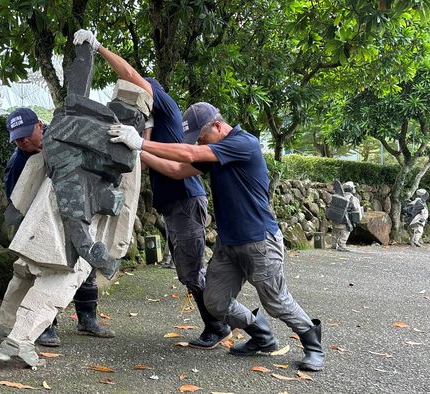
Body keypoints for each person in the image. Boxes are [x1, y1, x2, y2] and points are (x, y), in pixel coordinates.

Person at [107, 102, 325, 371]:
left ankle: (313, 346)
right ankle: (262, 336)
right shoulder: (218, 154)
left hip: (259, 240)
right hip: (228, 244)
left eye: (202, 136)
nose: (199, 142)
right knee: (215, 301)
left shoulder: (244, 143)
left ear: (218, 126)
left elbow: (188, 152)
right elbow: (177, 170)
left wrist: (141, 141)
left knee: (276, 301)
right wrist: (139, 153)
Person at [73, 30, 231, 349]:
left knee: (192, 273)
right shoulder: (151, 126)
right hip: (176, 204)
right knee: (187, 273)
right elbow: (138, 162)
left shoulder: (164, 104)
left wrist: (99, 46)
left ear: (149, 94)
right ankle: (218, 323)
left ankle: (221, 324)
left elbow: (130, 74)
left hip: (186, 200)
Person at [0, 107, 115, 348]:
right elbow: (17, 200)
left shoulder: (64, 137)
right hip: (39, 220)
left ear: (40, 125)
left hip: (76, 211)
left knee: (85, 266)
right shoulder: (19, 162)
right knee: (44, 271)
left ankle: (87, 318)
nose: (23, 141)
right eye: (17, 138)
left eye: (27, 134)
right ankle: (47, 327)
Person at [329, 181, 361, 252]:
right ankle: (342, 245)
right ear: (351, 189)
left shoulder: (338, 196)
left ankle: (333, 244)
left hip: (335, 219)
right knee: (347, 231)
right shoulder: (353, 198)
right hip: (345, 221)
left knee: (335, 232)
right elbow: (357, 209)